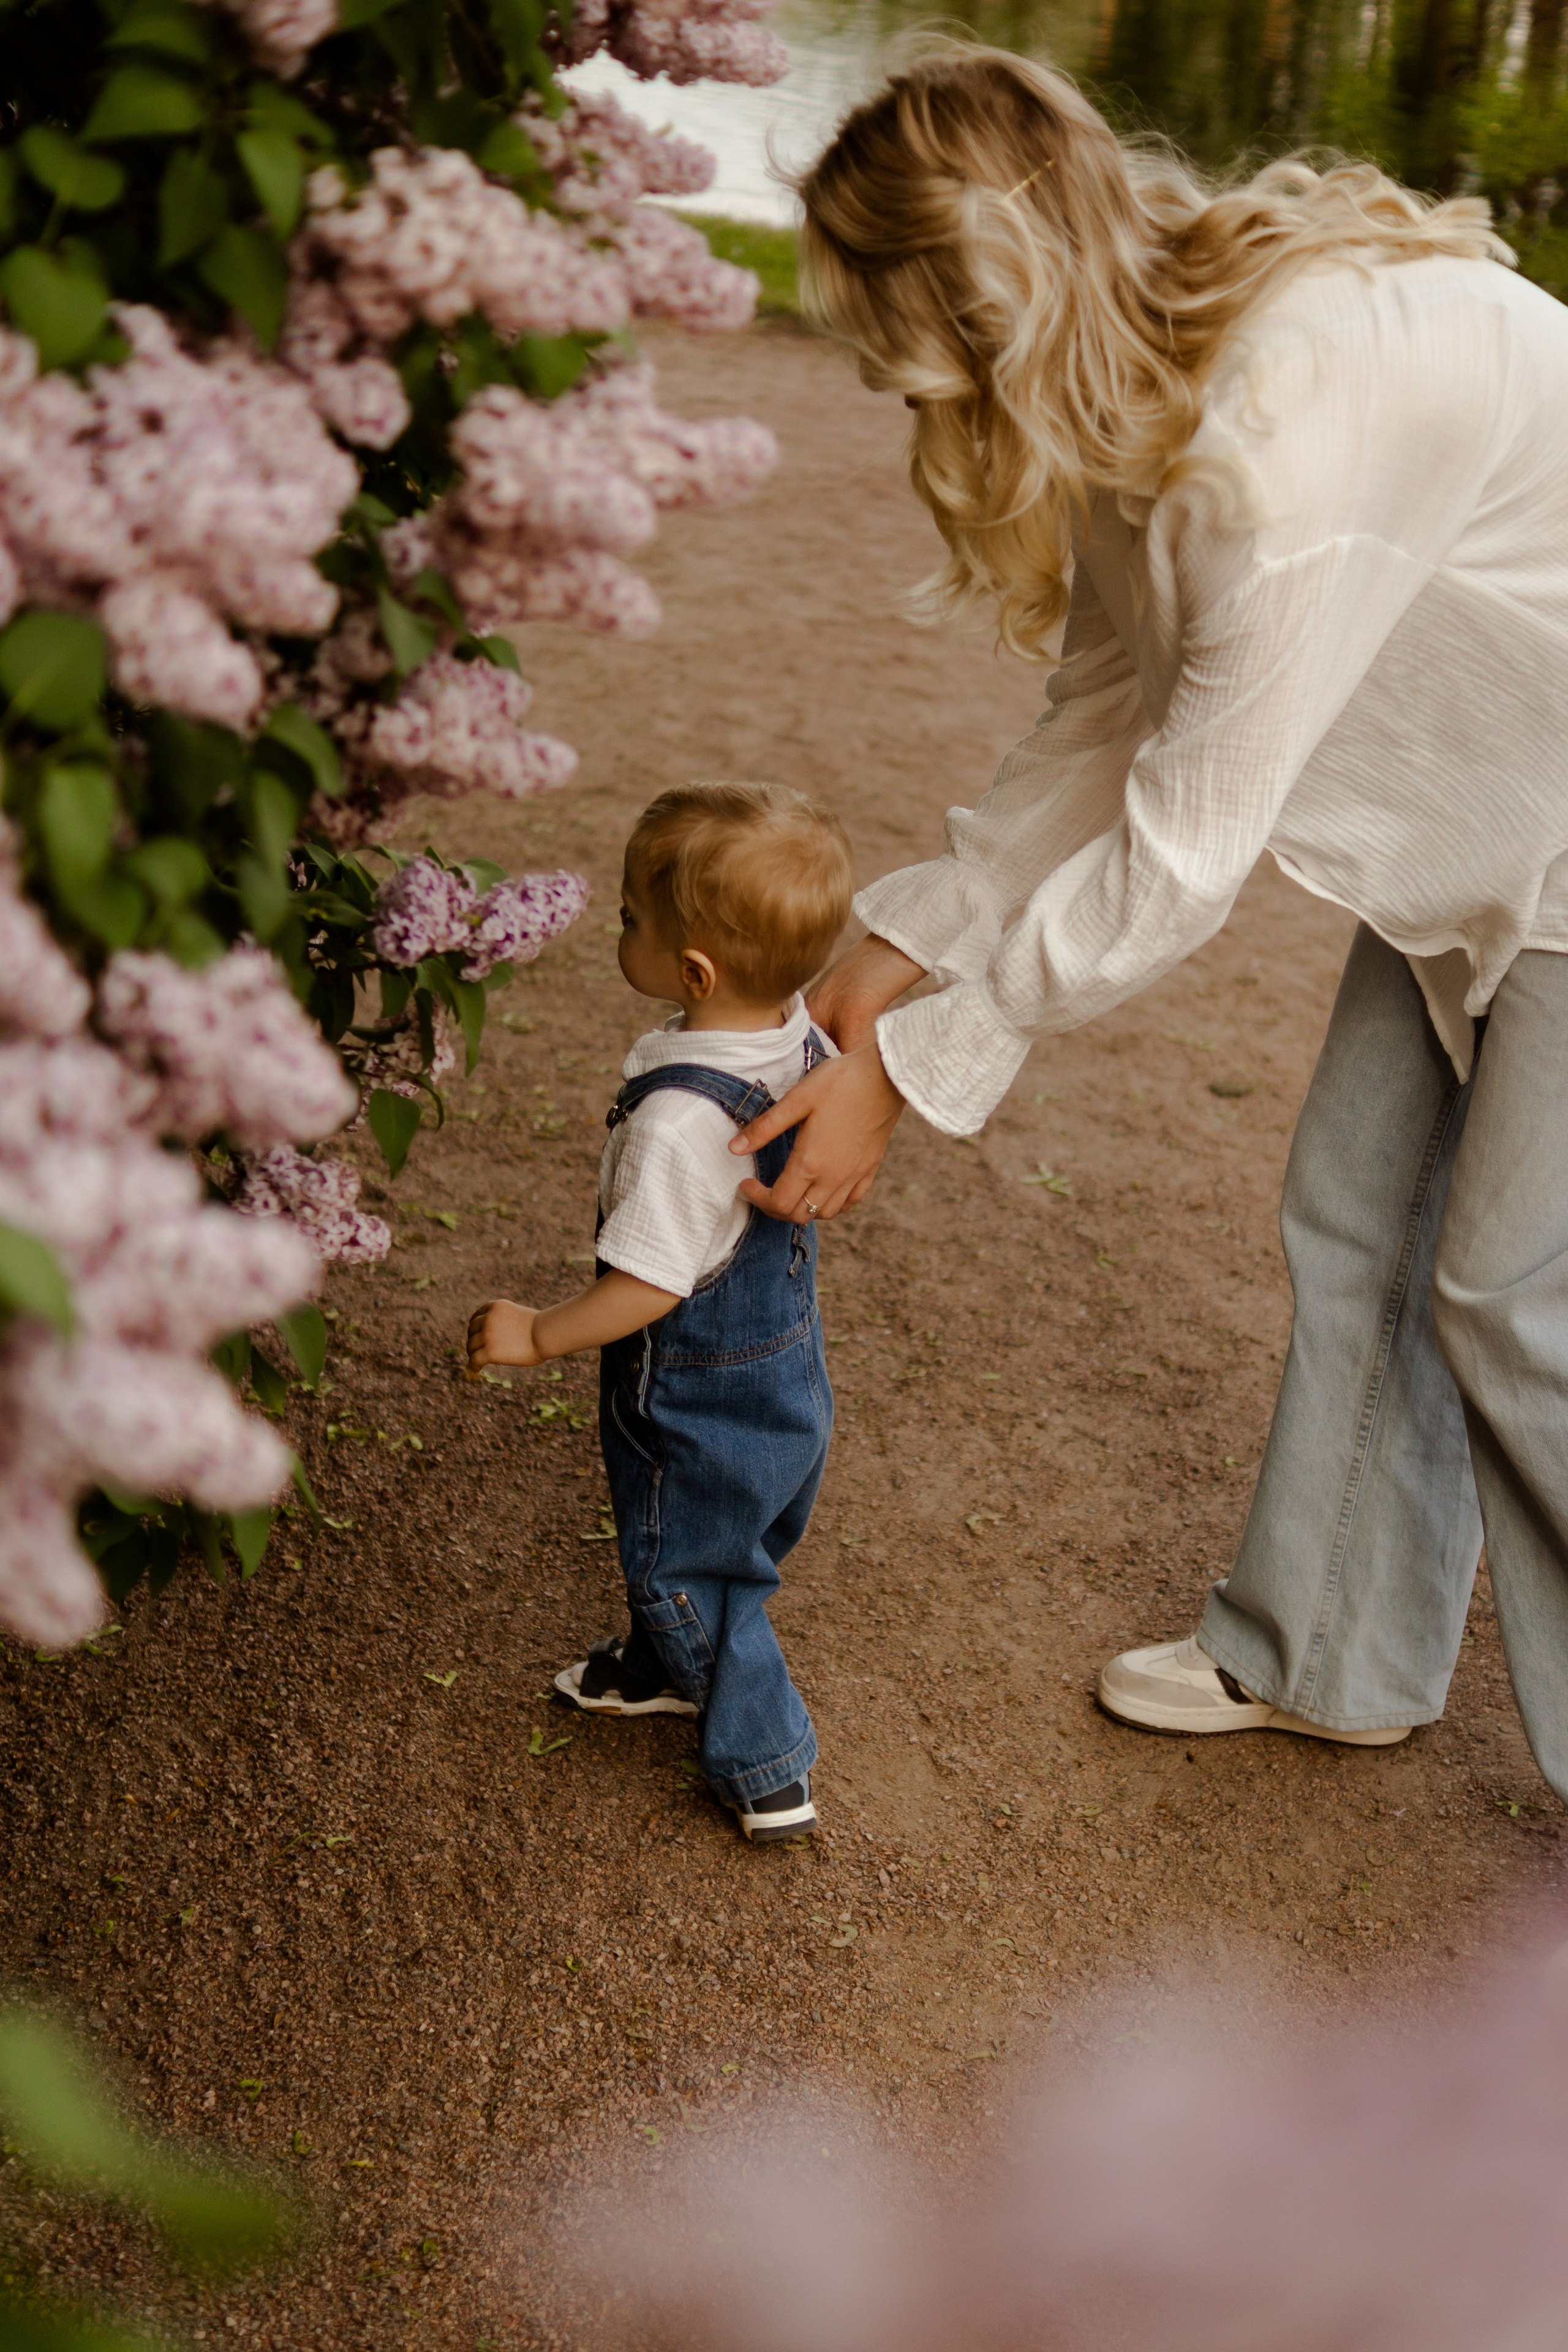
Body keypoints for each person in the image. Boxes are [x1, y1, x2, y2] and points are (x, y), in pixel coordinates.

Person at [723, 46, 1568, 1798]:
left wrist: (926, 1064)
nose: (874, 363)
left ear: (981, 284)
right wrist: (909, 945)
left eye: (881, 318)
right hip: (1508, 814)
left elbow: (1184, 852)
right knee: (1361, 1212)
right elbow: (1102, 716)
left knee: (1508, 1293)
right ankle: (1328, 1648)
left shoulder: (1279, 429)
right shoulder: (1147, 378)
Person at [466, 782, 853, 1842]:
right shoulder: (792, 1030)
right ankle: (656, 1656)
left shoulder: (680, 1124)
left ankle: (768, 1761)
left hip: (692, 1389)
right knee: (704, 1538)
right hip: (781, 1359)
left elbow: (647, 1286)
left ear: (695, 972)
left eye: (632, 918)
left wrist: (539, 1331)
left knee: (694, 1562)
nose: (617, 930)